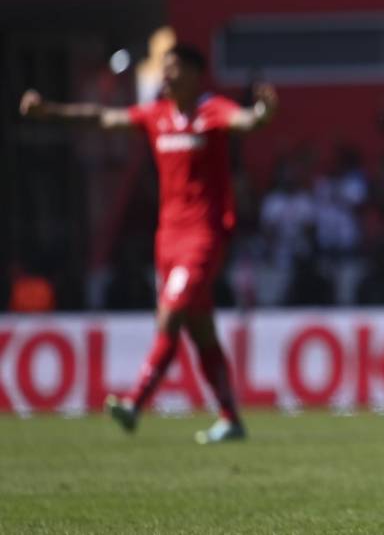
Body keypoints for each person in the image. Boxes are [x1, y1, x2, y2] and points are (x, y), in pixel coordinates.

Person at [19, 44, 277, 444]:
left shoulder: (211, 110)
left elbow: (247, 121)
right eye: (165, 68)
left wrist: (263, 112)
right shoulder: (156, 115)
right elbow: (102, 118)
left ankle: (135, 403)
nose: (166, 75)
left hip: (203, 237)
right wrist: (49, 111)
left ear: (195, 74)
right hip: (167, 238)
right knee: (201, 329)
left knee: (169, 316)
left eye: (174, 68)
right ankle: (230, 419)